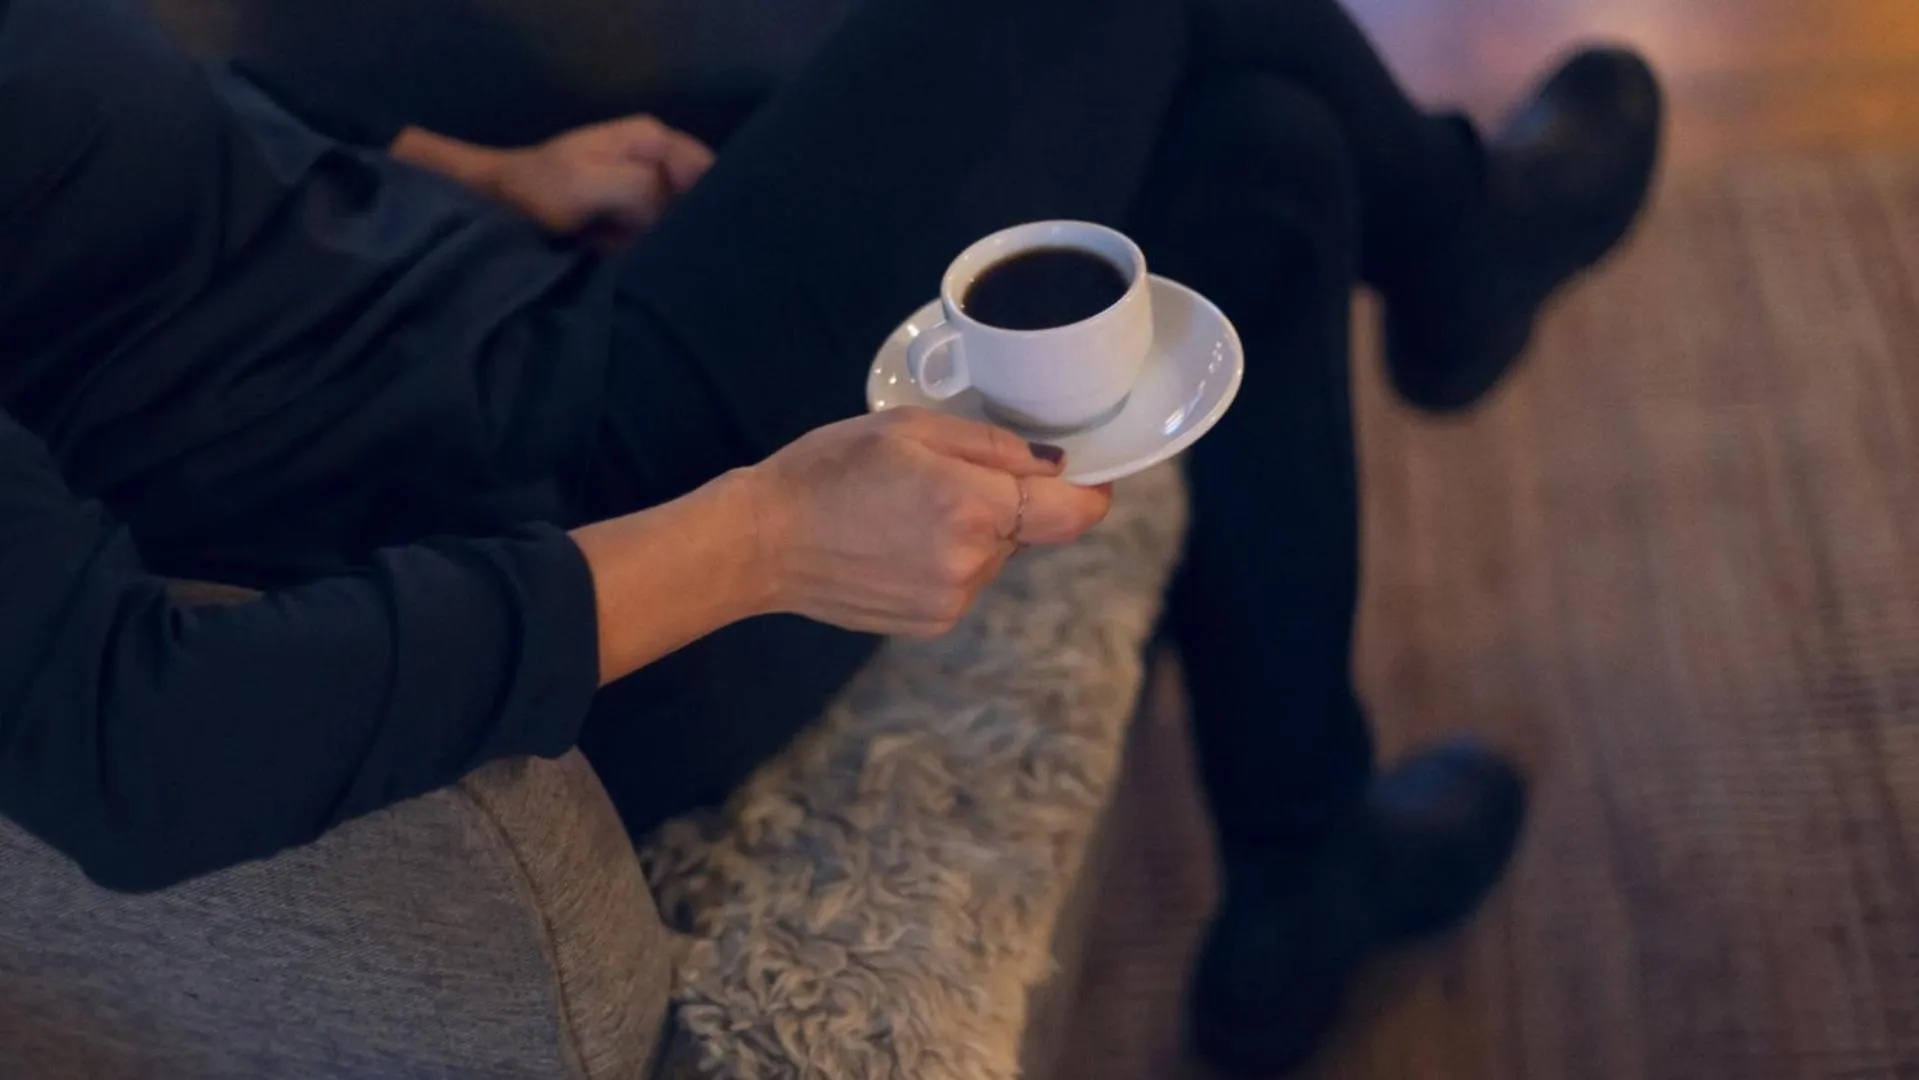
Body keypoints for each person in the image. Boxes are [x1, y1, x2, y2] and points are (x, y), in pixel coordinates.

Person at [0, 0, 1660, 1071]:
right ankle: (1456, 251)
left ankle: (1300, 875)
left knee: (1259, 157)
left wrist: (468, 169)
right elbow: (138, 754)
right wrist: (759, 541)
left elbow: (123, 168)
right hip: (568, 505)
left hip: (518, 311)